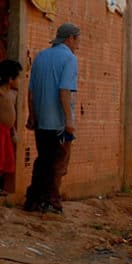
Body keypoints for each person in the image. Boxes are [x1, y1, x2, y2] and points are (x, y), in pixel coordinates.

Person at [24, 23, 80, 214]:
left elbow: (30, 91)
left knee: (44, 160)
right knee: (56, 163)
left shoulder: (41, 57)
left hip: (41, 120)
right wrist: (69, 121)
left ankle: (33, 200)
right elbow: (64, 91)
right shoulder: (69, 59)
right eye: (77, 39)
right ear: (70, 38)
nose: (78, 44)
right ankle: (51, 201)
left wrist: (32, 115)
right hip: (58, 122)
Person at [0, 60, 21, 196]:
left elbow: (12, 115)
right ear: (10, 79)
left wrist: (13, 132)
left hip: (7, 132)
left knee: (5, 158)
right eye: (17, 77)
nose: (19, 80)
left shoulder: (13, 94)